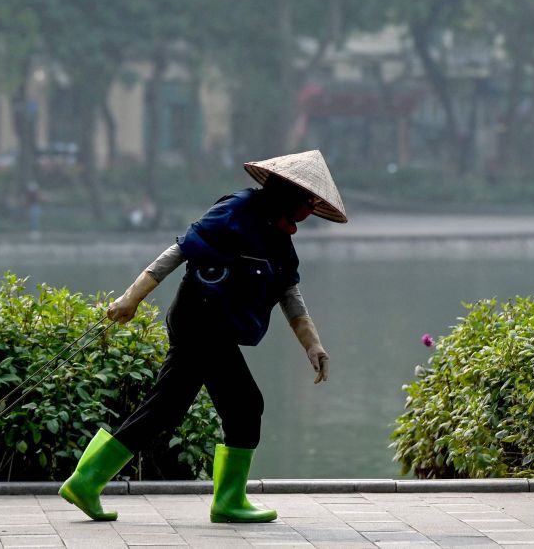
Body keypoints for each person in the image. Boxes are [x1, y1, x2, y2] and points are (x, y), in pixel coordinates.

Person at [58, 149, 348, 524]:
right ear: (290, 194)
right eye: (309, 201)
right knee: (245, 406)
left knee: (167, 408)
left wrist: (313, 344)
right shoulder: (237, 210)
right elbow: (179, 250)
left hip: (216, 329)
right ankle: (227, 501)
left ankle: (86, 480)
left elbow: (288, 294)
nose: (310, 210)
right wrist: (129, 299)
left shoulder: (279, 240)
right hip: (200, 322)